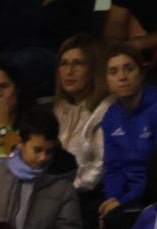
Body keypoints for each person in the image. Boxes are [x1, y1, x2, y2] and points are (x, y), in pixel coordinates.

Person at [97, 43, 157, 228]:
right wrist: (113, 199)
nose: (122, 77)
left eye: (128, 69)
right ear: (106, 80)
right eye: (113, 72)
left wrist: (122, 202)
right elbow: (113, 168)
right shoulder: (110, 116)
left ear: (141, 72)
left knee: (115, 219)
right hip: (126, 196)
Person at [51, 34, 109, 197]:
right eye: (64, 64)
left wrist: (62, 193)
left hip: (86, 197)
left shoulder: (106, 109)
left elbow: (100, 165)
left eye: (78, 64)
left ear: (94, 69)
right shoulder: (59, 109)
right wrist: (4, 128)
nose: (69, 71)